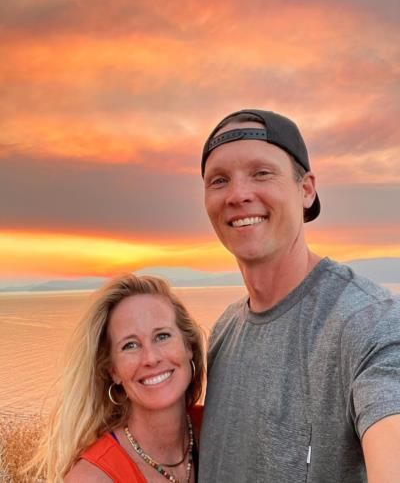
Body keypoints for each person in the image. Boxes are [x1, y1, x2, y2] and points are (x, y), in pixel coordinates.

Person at [198, 109, 400, 482]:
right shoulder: (225, 331)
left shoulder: (369, 323)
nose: (238, 195)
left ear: (306, 189)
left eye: (262, 173)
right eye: (219, 180)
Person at [29, 273, 205, 482]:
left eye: (162, 336)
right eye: (130, 345)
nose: (150, 358)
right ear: (112, 370)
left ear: (188, 346)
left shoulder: (220, 427)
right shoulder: (93, 478)